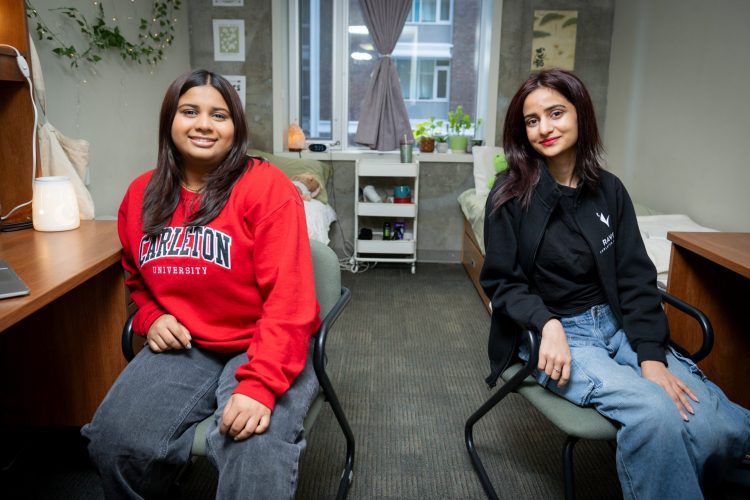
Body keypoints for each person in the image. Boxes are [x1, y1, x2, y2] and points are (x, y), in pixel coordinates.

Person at [480, 68, 749, 499]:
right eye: (532, 120)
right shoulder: (509, 195)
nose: (544, 128)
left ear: (580, 114)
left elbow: (636, 278)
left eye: (555, 113)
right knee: (655, 412)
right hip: (560, 333)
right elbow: (502, 282)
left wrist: (650, 355)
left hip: (617, 322)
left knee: (713, 422)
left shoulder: (609, 191)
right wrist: (546, 324)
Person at [82, 69, 321, 499]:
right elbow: (135, 275)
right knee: (114, 441)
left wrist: (259, 385)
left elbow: (291, 299)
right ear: (169, 121)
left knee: (254, 449)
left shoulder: (265, 188)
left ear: (236, 128)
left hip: (265, 342)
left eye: (220, 115)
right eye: (190, 111)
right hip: (189, 344)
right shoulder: (142, 194)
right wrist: (151, 317)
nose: (204, 124)